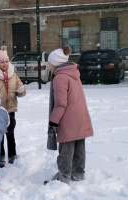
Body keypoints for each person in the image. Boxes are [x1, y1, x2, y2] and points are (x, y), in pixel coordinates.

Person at [47, 45, 94, 185]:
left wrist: (53, 122)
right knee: (79, 147)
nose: (49, 65)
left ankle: (64, 177)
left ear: (55, 63)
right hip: (81, 116)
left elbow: (60, 104)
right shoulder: (73, 73)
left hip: (69, 118)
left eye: (50, 62)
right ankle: (78, 173)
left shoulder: (60, 78)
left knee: (66, 150)